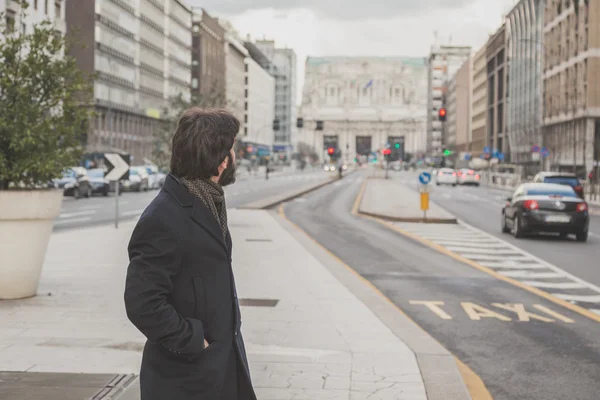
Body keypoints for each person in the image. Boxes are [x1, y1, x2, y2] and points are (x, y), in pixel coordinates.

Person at [124, 108, 256, 400]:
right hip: (185, 379)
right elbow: (142, 302)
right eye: (232, 150)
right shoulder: (165, 216)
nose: (235, 157)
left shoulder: (206, 202)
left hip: (219, 369)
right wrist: (194, 341)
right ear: (221, 161)